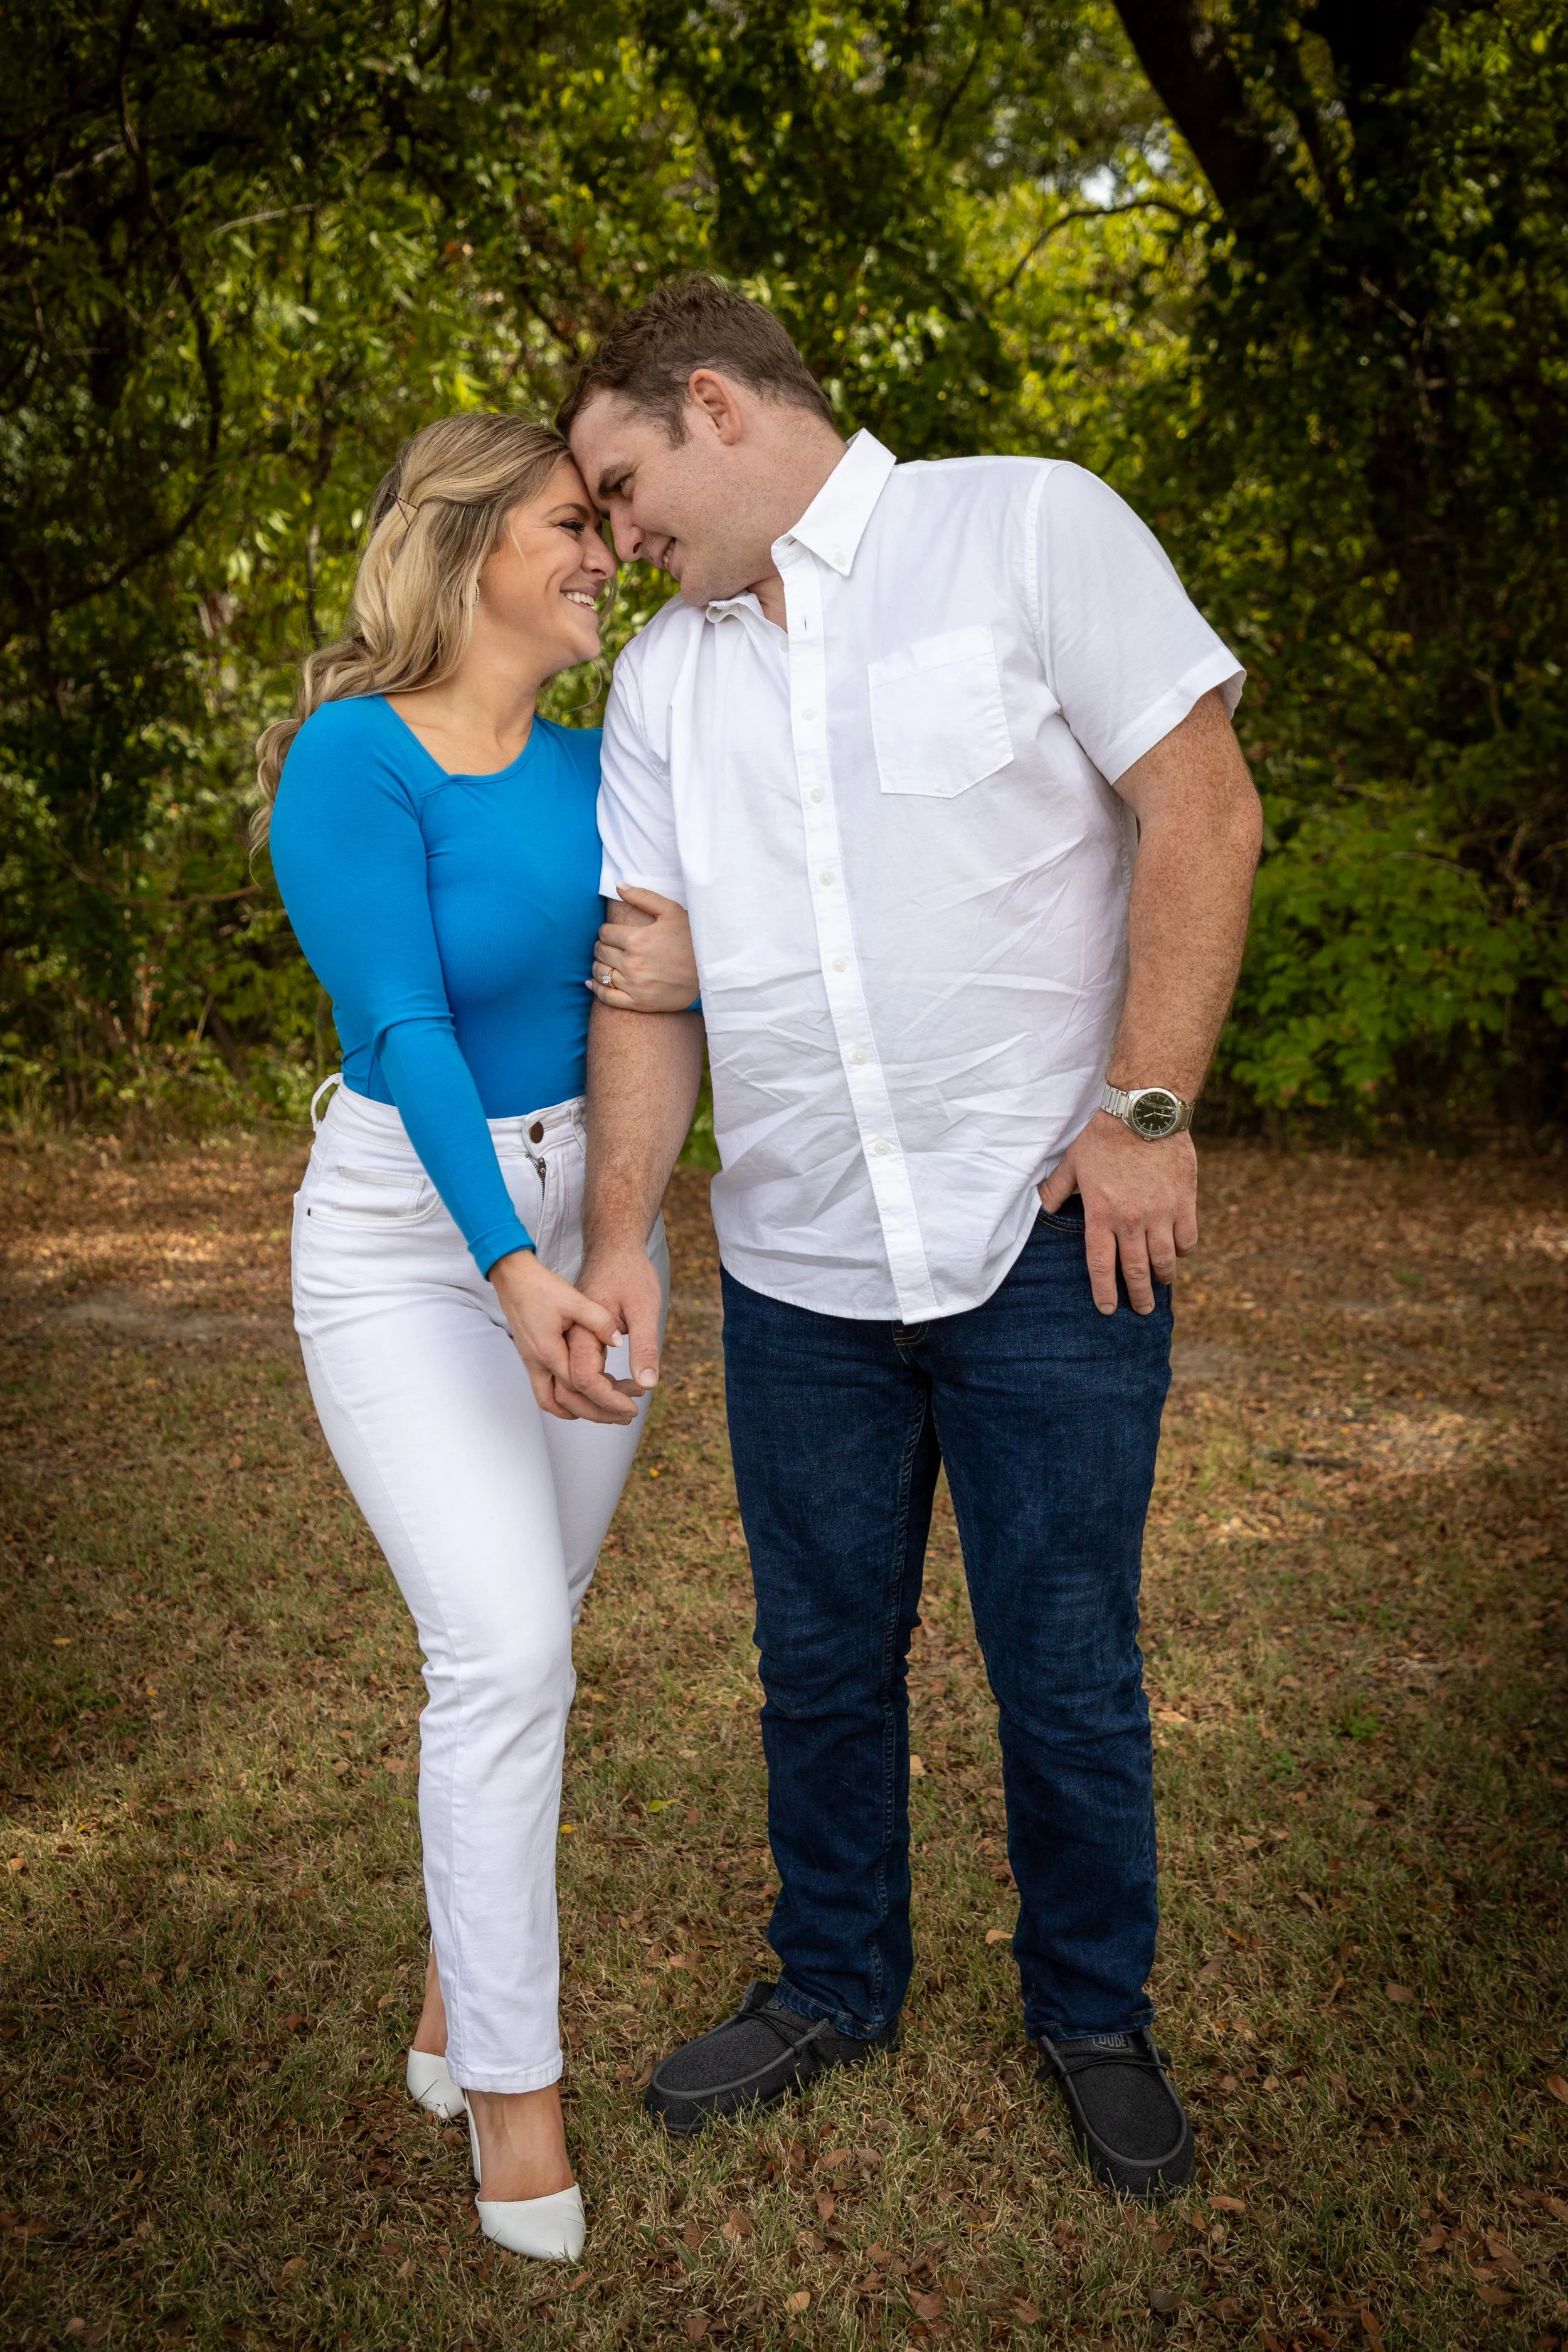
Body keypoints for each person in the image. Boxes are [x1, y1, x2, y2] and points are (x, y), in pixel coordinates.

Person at [557, 277, 1264, 2203]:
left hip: (1045, 1236)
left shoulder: (1028, 522)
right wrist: (627, 1231)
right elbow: (642, 981)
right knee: (817, 1659)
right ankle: (832, 1977)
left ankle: (1091, 2008)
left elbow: (1201, 808)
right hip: (793, 1262)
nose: (617, 544)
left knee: (1063, 1660)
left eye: (620, 488)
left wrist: (1142, 1112)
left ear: (711, 405)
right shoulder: (663, 683)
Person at [255, 413, 699, 2260]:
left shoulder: (608, 765)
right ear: (459, 548)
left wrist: (625, 1238)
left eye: (607, 522)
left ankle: (458, 1974)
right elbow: (405, 1022)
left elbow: (659, 987)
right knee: (505, 1647)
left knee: (539, 1626)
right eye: (567, 522)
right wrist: (515, 1263)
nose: (604, 549)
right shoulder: (350, 759)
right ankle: (515, 2101)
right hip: (409, 1246)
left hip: (591, 1231)